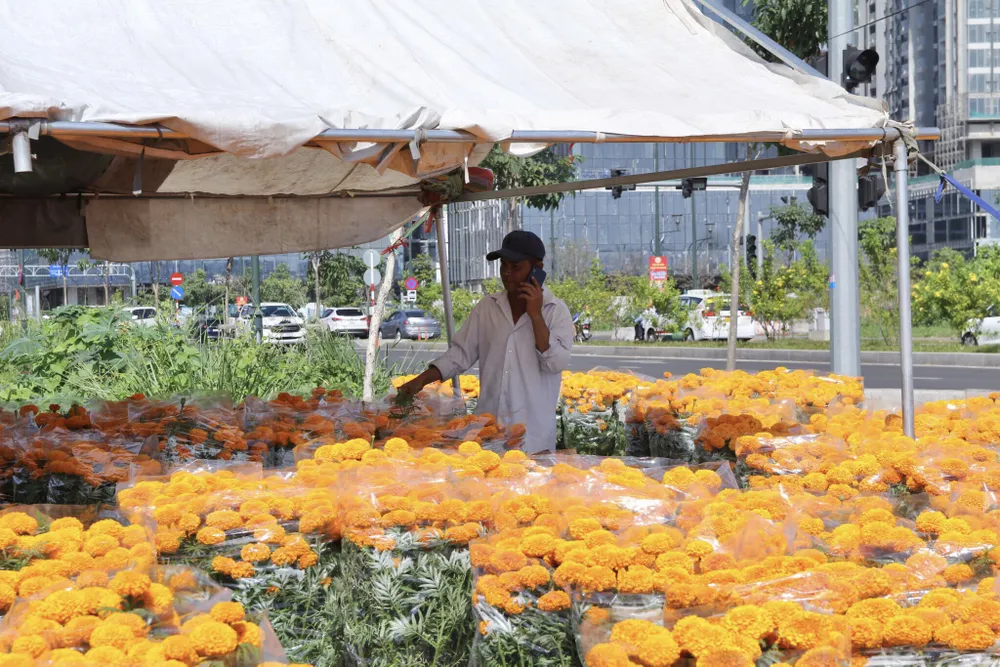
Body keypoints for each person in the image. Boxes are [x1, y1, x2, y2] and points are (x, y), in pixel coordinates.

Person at [397, 230, 574, 453]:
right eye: (504, 266)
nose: (507, 273)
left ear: (537, 268)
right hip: (489, 434)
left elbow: (555, 363)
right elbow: (460, 354)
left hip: (534, 439)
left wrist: (536, 316)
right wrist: (419, 382)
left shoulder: (555, 312)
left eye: (515, 266)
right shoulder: (487, 307)